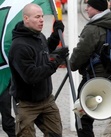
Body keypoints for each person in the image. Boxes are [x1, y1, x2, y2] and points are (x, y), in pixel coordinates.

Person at [8, 3, 67, 137]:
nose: (41, 20)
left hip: (46, 100)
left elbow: (44, 51)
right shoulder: (19, 46)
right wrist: (56, 61)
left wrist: (55, 36)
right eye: (37, 17)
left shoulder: (38, 36)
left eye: (42, 16)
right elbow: (32, 76)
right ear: (26, 19)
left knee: (55, 134)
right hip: (26, 104)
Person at [69, 0, 111, 136]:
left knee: (81, 116)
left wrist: (71, 64)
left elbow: (80, 55)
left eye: (89, 6)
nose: (86, 9)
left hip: (93, 79)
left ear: (97, 8)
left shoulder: (92, 28)